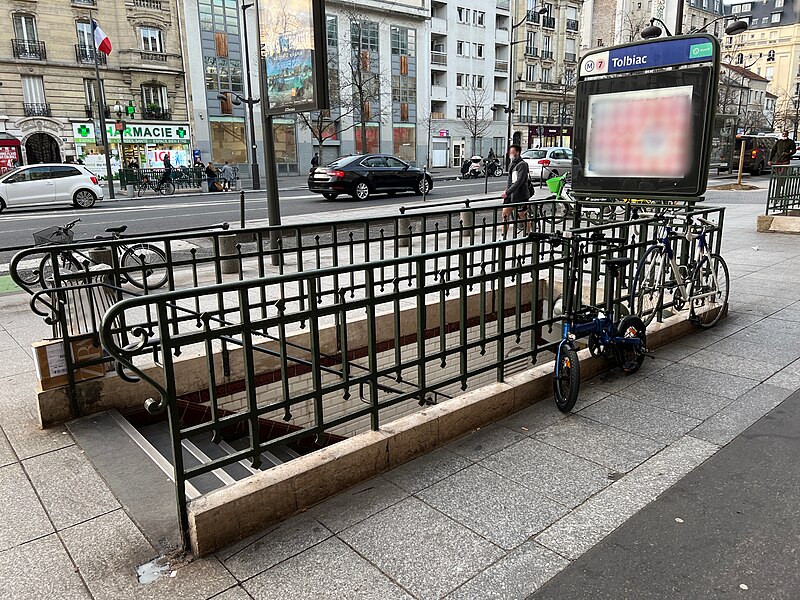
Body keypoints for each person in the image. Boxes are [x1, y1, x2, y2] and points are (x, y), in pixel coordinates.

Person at [501, 144, 532, 235]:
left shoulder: (522, 165)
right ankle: (503, 235)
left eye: (512, 152)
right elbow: (510, 180)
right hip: (510, 195)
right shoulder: (512, 164)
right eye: (510, 152)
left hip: (520, 195)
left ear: (517, 152)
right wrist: (507, 191)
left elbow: (519, 181)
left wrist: (508, 192)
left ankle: (528, 232)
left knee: (523, 215)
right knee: (505, 215)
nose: (510, 154)